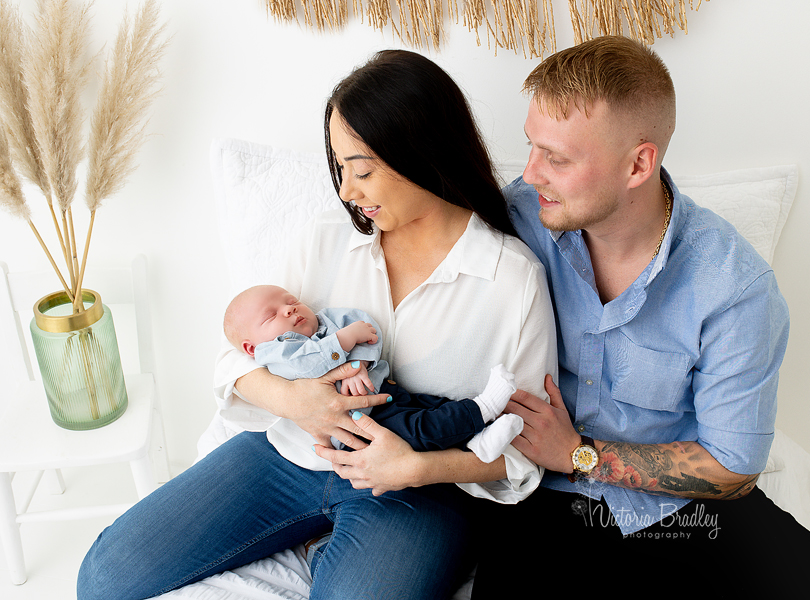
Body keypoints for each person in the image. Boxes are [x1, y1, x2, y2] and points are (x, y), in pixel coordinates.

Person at [77, 49, 557, 600]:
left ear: (422, 150)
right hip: (290, 453)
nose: (347, 190)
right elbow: (240, 353)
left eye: (362, 169)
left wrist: (412, 470)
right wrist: (296, 403)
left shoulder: (510, 279)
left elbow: (521, 448)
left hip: (417, 491)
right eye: (340, 166)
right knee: (104, 577)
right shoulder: (328, 236)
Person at [472, 35, 810, 599]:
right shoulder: (520, 214)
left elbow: (732, 466)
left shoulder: (735, 290)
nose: (531, 172)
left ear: (639, 163)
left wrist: (579, 454)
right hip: (540, 503)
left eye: (558, 158)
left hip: (684, 509)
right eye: (532, 147)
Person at [222, 283, 525, 462]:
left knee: (433, 404)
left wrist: (359, 365)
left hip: (386, 392)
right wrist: (345, 341)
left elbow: (366, 328)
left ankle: (476, 442)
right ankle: (484, 407)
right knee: (419, 429)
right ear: (250, 348)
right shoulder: (275, 351)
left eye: (290, 301)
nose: (288, 309)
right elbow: (309, 363)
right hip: (362, 423)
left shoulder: (328, 320)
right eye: (272, 315)